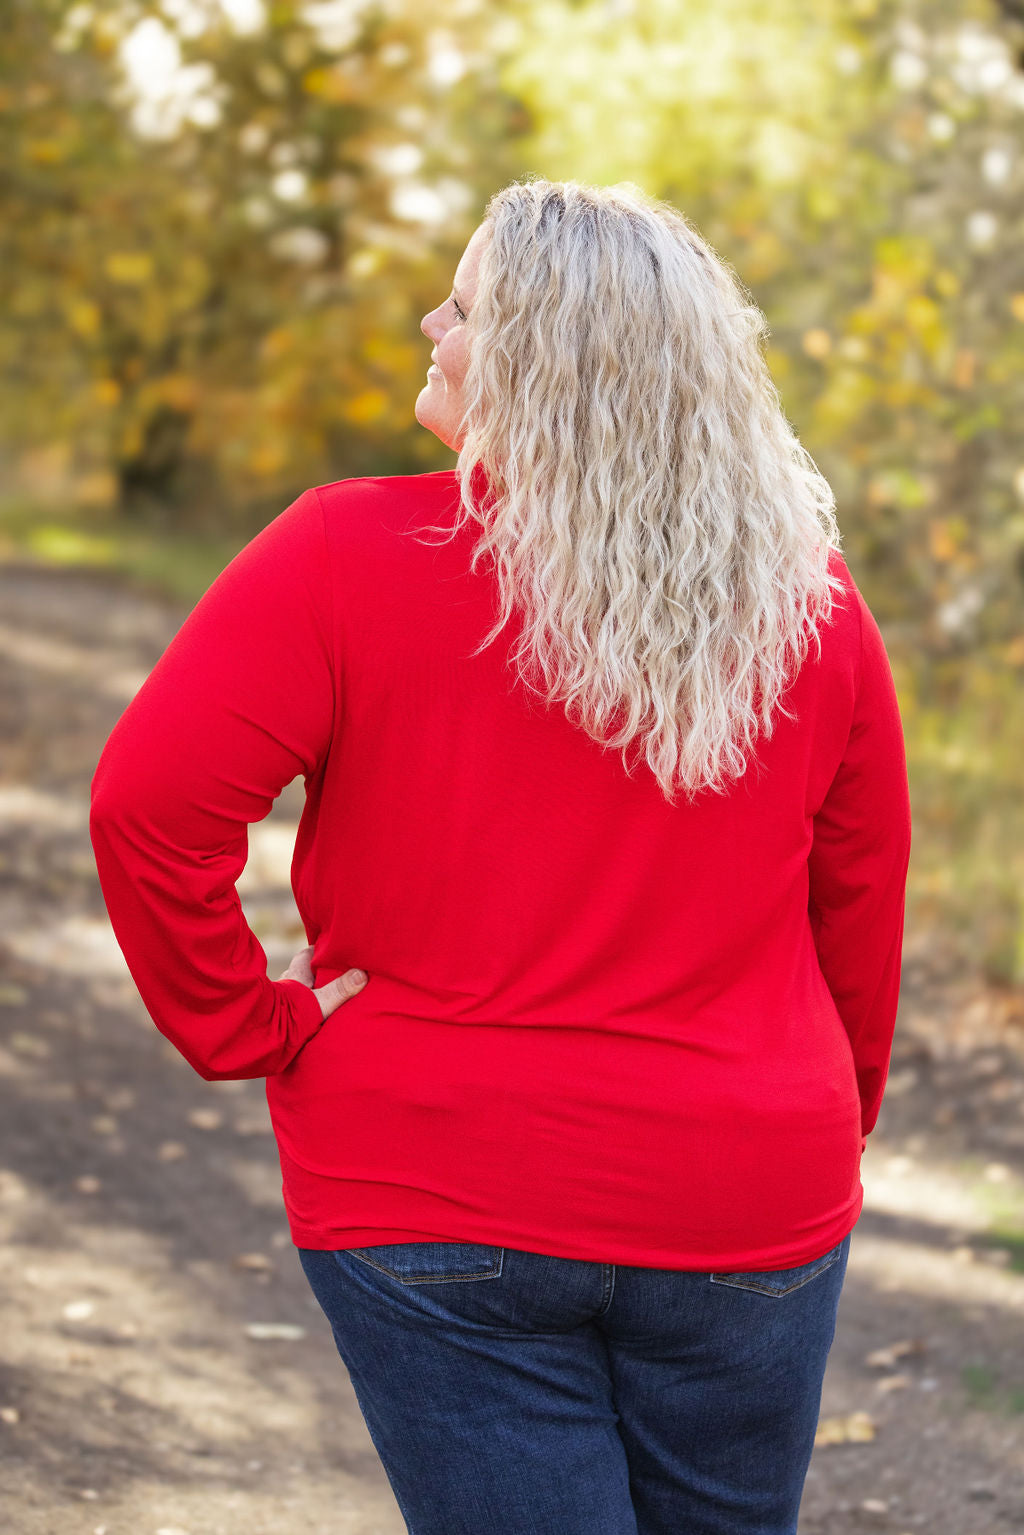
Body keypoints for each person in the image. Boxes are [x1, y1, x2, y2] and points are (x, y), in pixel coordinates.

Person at [89, 176, 912, 1535]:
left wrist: (247, 1021)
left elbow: (146, 808)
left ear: (546, 359)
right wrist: (821, 1113)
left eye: (464, 307)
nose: (432, 322)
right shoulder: (812, 607)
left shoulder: (343, 554)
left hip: (432, 1186)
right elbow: (861, 905)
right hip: (747, 1188)